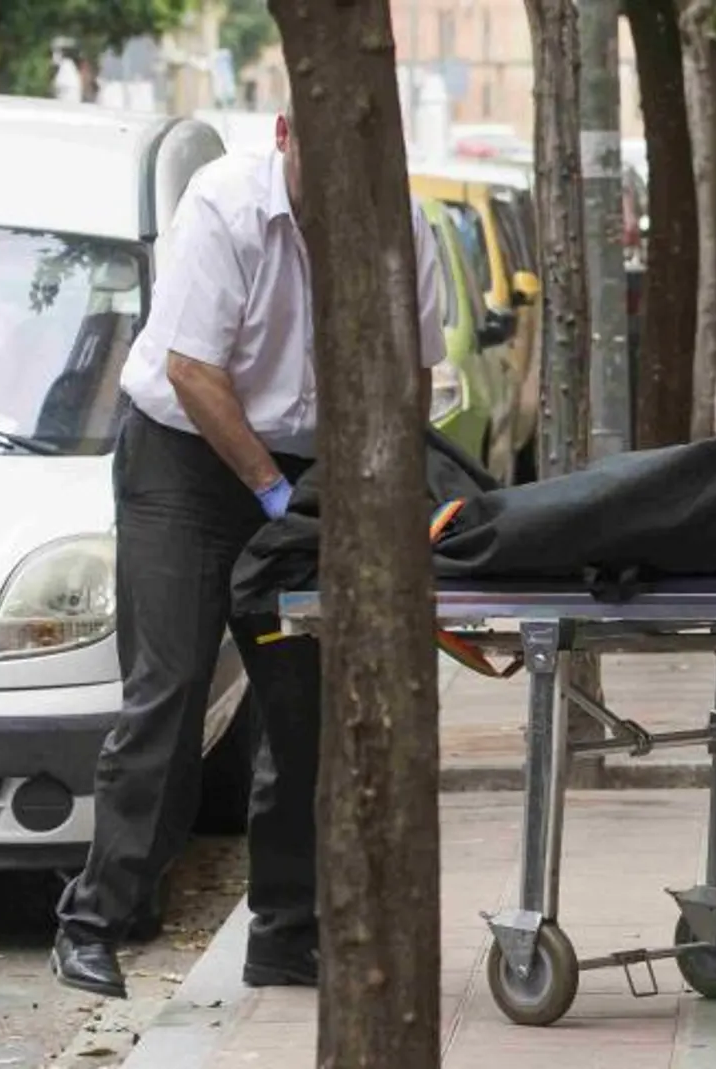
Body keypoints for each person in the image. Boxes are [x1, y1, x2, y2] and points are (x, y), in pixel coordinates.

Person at [49, 104, 446, 999]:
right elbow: (193, 370)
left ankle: (285, 933)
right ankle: (96, 920)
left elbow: (411, 370)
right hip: (185, 467)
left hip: (306, 473)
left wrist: (356, 486)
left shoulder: (402, 223)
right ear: (283, 134)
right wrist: (270, 489)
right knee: (173, 689)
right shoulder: (223, 205)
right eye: (327, 153)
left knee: (302, 707)